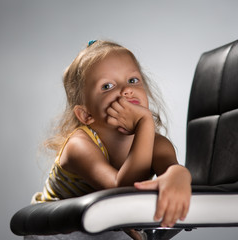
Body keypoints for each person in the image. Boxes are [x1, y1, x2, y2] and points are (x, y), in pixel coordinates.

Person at [32, 40, 192, 231]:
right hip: (58, 231)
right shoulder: (79, 145)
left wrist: (179, 173)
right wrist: (145, 122)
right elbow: (121, 192)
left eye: (132, 80)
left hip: (106, 228)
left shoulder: (158, 144)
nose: (126, 90)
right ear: (86, 114)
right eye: (107, 86)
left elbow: (170, 170)